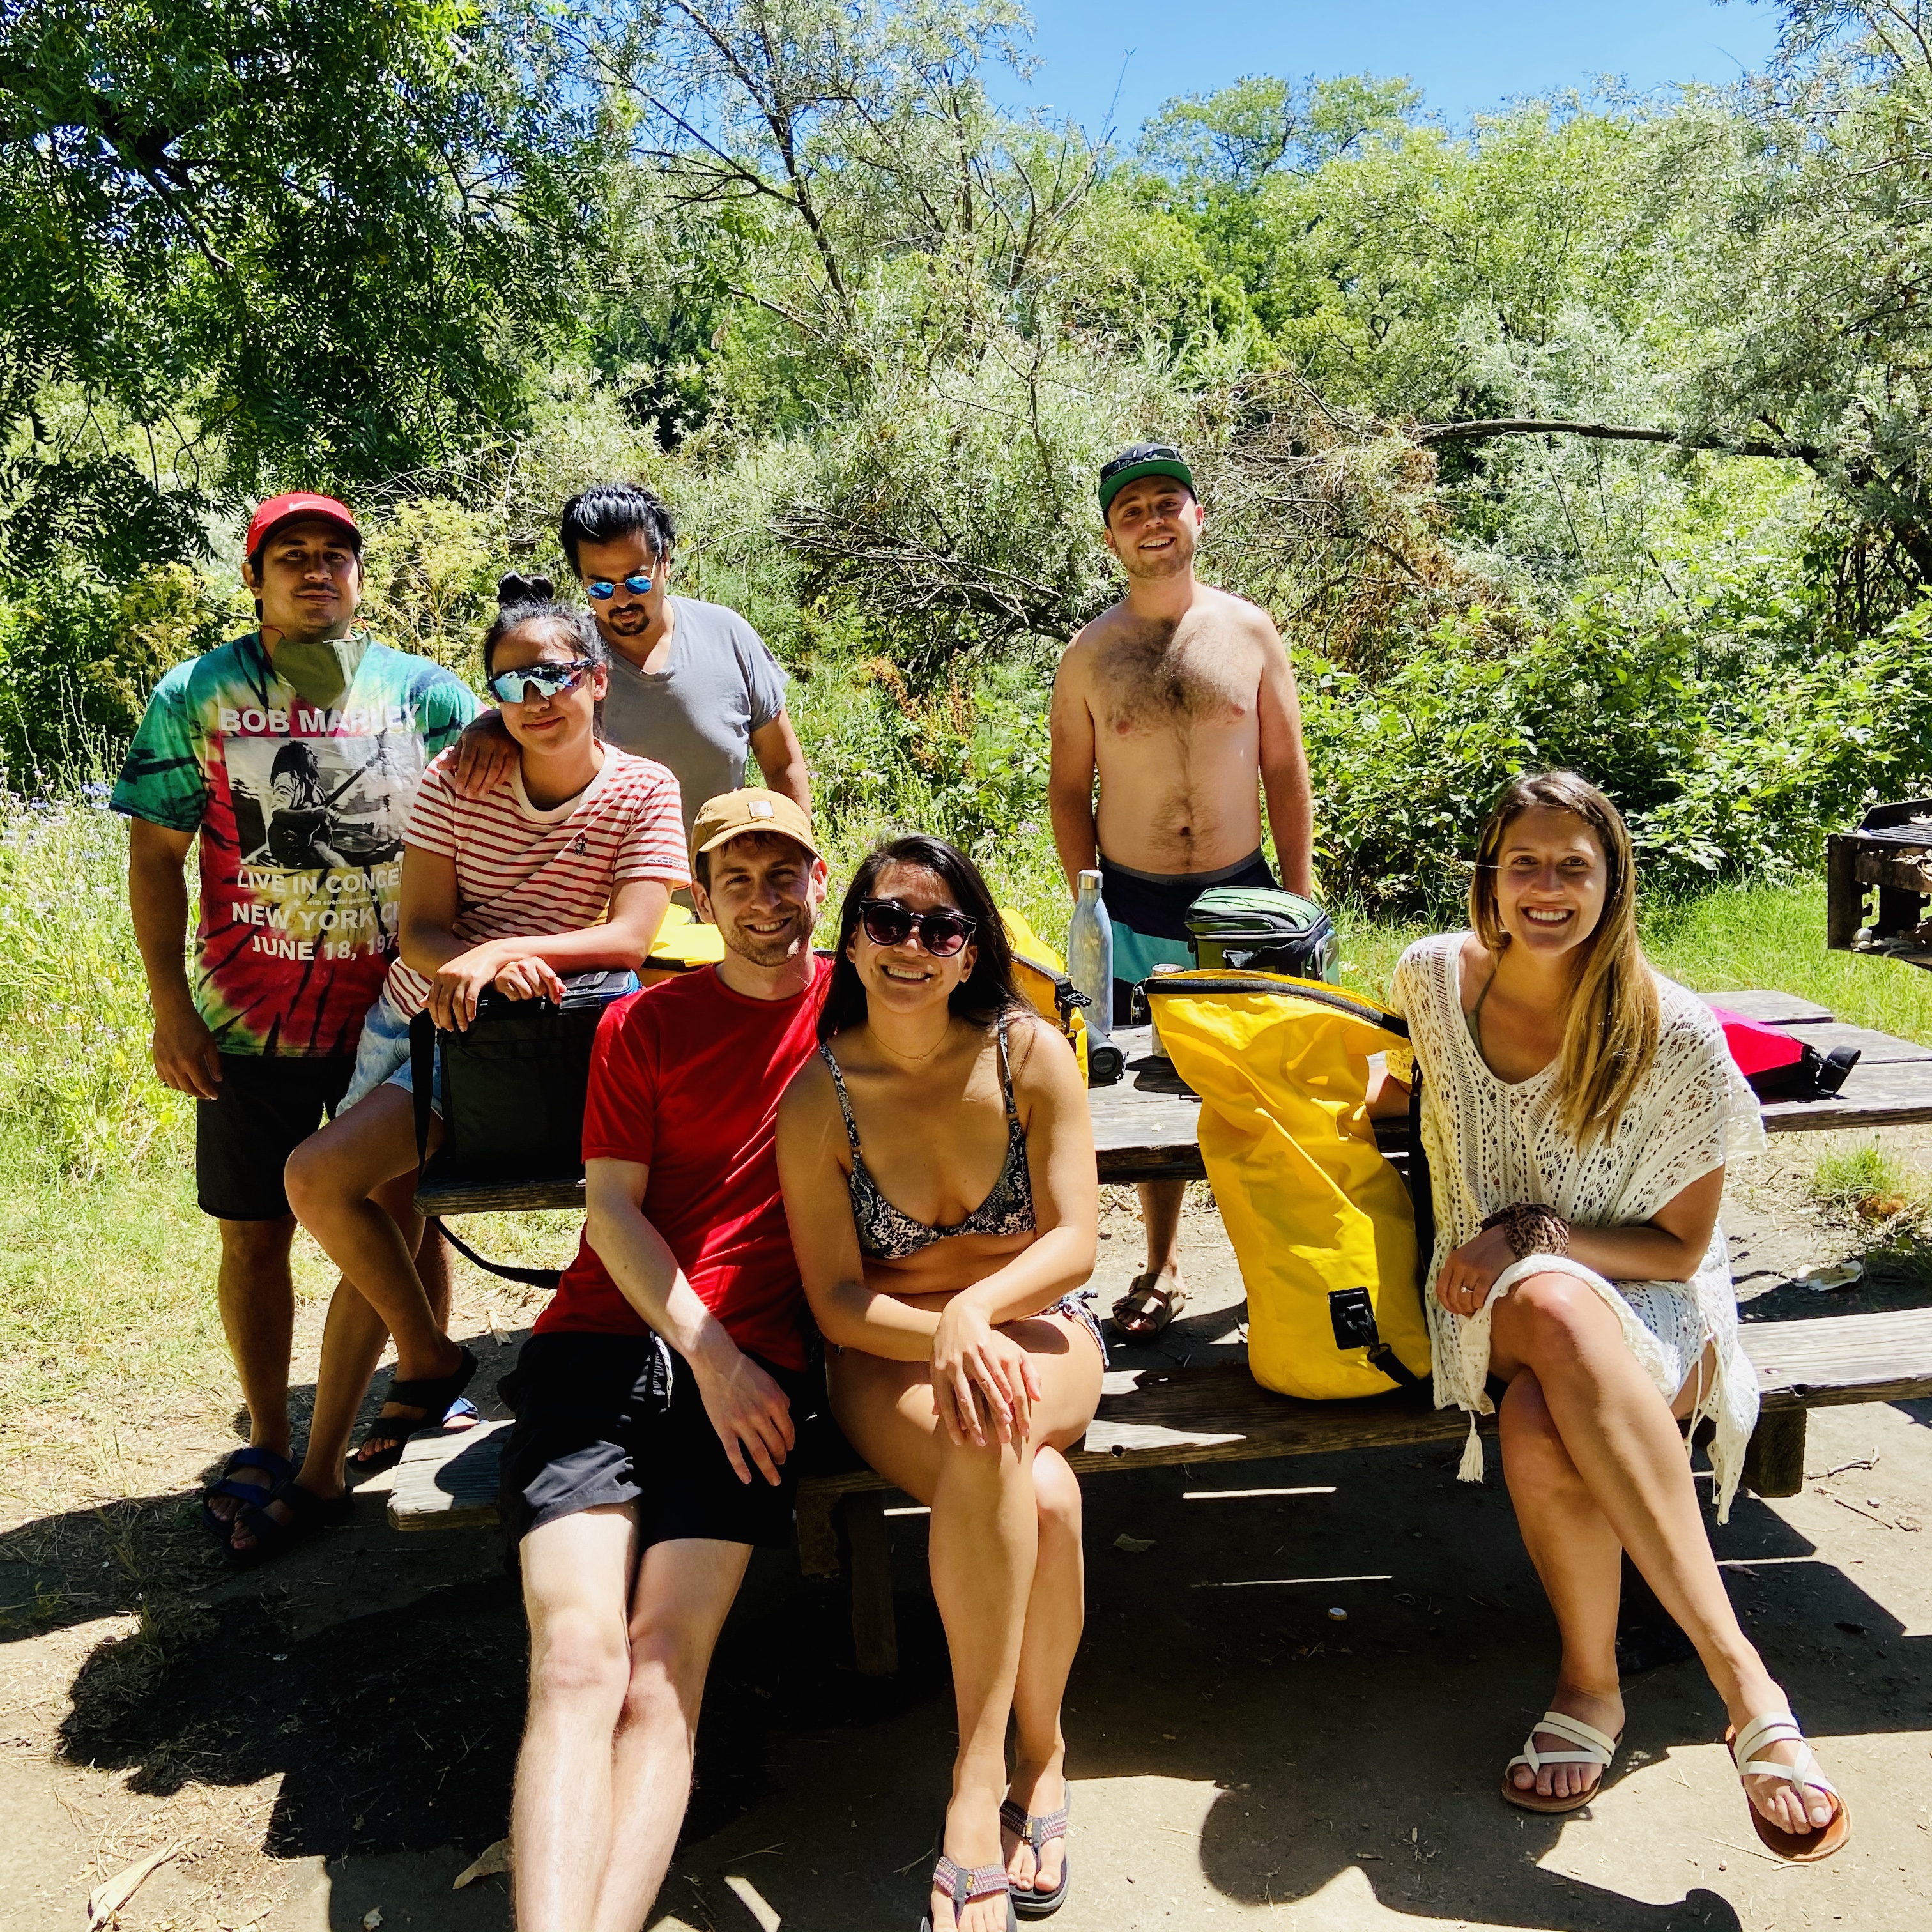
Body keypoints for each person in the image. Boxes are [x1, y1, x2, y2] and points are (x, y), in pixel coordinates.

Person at [1373, 769, 1848, 1861]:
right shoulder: (1430, 979)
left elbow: (1678, 1250)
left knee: (1542, 1407)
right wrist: (1385, 1095)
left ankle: (1595, 1687)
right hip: (1482, 1304)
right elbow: (1397, 1066)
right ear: (1487, 876)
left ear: (1610, 879)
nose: (1545, 888)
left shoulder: (1670, 1030)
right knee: (1539, 1307)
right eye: (1522, 864)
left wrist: (1532, 1231)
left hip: (1648, 1309)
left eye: (1571, 867)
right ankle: (1747, 1687)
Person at [235, 578, 688, 1559]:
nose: (539, 697)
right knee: (327, 1184)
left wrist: (506, 960)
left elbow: (632, 931)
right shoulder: (458, 778)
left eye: (557, 675)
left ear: (595, 680)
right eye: (513, 681)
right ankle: (420, 1366)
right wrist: (474, 964)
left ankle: (338, 1456)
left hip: (573, 1042)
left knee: (391, 1207)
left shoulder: (645, 788)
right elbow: (424, 930)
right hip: (436, 1033)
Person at [112, 491, 480, 1540]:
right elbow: (154, 856)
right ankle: (270, 1435)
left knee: (405, 1213)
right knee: (254, 1232)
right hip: (249, 1017)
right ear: (255, 577)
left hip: (399, 1013)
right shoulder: (198, 693)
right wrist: (170, 1005)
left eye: (336, 555)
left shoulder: (425, 694)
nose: (317, 570)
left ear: (359, 577)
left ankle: (418, 1391)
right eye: (293, 556)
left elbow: (492, 824)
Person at [500, 790, 832, 1932]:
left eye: (780, 874)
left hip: (761, 1367)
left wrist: (742, 1366)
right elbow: (611, 1212)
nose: (761, 899)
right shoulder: (640, 1024)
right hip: (607, 1344)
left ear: (816, 880)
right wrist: (712, 1354)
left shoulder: (863, 1005)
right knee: (579, 1658)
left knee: (659, 1665)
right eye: (734, 879)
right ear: (699, 893)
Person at [778, 836, 1104, 1931]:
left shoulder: (1026, 1053)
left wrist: (977, 1310)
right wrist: (940, 1329)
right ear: (853, 938)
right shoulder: (817, 1097)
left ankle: (998, 1772)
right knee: (1036, 1487)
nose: (911, 945)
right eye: (886, 920)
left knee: (995, 1430)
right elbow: (832, 1295)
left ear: (970, 949)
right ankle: (1022, 1762)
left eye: (939, 926)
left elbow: (1073, 1241)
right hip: (885, 1349)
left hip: (1039, 1324)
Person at [1048, 441, 1314, 1343]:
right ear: (1111, 537)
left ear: (1199, 515)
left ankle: (1273, 1269)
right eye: (1132, 512)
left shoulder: (1249, 631)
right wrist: (1090, 900)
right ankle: (1160, 1263)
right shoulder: (1090, 655)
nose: (1152, 521)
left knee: (1262, 1091)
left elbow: (1284, 768)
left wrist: (1300, 901)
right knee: (1142, 1102)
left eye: (1169, 503)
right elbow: (1066, 787)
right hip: (1134, 905)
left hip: (1246, 903)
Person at [454, 481, 808, 848]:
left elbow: (783, 764)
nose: (621, 599)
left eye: (636, 581)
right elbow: (525, 697)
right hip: (608, 901)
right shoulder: (569, 664)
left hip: (723, 896)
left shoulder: (727, 634)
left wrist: (797, 856)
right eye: (601, 588)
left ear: (665, 561)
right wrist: (489, 726)